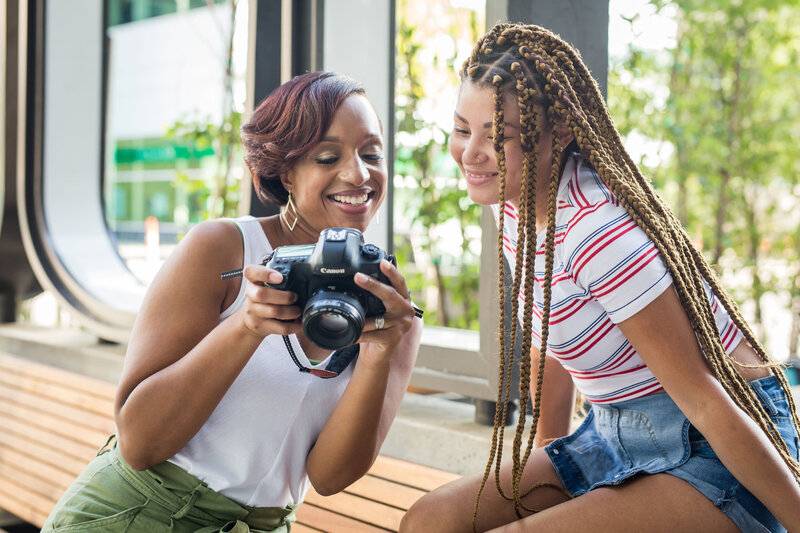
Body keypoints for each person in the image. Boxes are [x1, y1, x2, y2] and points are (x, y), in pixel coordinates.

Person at [401, 23, 800, 533]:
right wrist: (547, 460)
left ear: (561, 133)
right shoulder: (516, 206)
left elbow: (705, 399)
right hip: (615, 433)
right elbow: (552, 343)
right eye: (463, 129)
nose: (472, 154)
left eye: (499, 137)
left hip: (717, 445)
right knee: (429, 522)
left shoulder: (598, 234)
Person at [42, 71, 422, 532]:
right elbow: (139, 443)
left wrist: (380, 352)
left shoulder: (390, 311)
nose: (359, 174)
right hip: (138, 514)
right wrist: (245, 326)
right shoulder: (223, 249)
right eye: (328, 156)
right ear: (286, 170)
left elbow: (329, 477)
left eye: (372, 154)